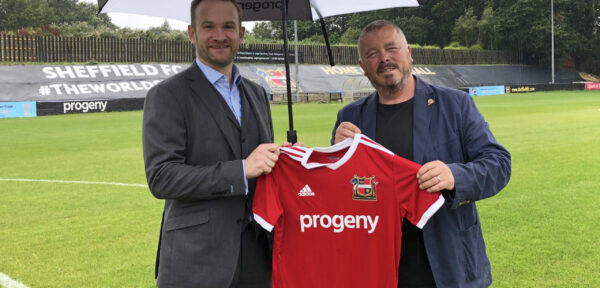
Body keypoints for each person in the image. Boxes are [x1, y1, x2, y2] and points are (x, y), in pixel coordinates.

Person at [332, 20, 511, 288]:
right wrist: (336, 157)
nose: (384, 58)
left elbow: (498, 165)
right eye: (372, 54)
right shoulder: (350, 117)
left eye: (391, 48)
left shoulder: (455, 104)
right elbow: (340, 195)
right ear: (362, 66)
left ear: (409, 52)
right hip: (379, 267)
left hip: (449, 265)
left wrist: (454, 176)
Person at [142, 0, 280, 287]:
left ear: (241, 33)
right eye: (209, 27)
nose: (220, 35)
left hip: (257, 259)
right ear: (192, 33)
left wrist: (286, 158)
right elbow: (162, 177)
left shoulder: (257, 94)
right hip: (195, 262)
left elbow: (262, 167)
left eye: (228, 26)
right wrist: (240, 171)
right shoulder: (167, 95)